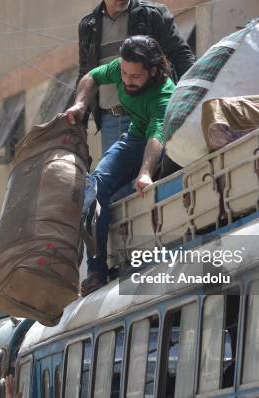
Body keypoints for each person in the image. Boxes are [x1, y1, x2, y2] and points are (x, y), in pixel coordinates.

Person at [66, 35, 180, 296]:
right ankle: (96, 271)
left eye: (135, 76)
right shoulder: (121, 68)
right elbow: (92, 76)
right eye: (124, 73)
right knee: (94, 188)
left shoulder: (163, 95)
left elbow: (157, 135)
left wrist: (145, 173)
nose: (127, 80)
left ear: (152, 71)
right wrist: (81, 103)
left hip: (161, 145)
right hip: (134, 137)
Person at [77, 0, 195, 174]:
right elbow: (85, 73)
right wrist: (79, 119)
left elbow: (183, 57)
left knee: (153, 181)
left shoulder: (153, 14)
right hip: (110, 119)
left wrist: (189, 103)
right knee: (117, 193)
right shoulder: (89, 26)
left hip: (152, 115)